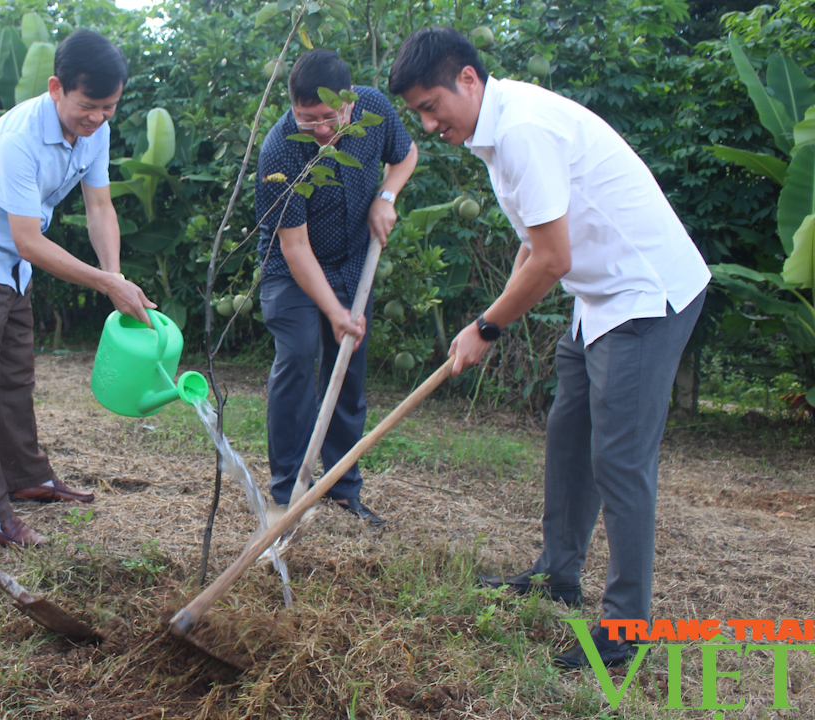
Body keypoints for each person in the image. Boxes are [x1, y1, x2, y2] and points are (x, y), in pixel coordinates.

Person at [389, 27, 710, 668]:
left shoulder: (522, 131)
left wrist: (485, 328)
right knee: (569, 437)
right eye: (419, 113)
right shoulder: (498, 130)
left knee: (618, 461)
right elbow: (533, 244)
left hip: (645, 296)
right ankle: (557, 574)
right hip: (599, 300)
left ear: (468, 81)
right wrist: (492, 316)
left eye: (432, 106)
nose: (428, 125)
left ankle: (626, 629)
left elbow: (553, 258)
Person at [0, 29, 154, 548]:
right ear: (56, 87)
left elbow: (100, 207)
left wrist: (114, 277)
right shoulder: (19, 140)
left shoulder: (93, 131)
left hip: (12, 266)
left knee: (15, 377)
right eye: (89, 106)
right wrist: (103, 282)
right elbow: (29, 239)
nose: (98, 118)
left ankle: (28, 478)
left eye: (109, 107)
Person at [254, 49, 418, 525]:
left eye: (330, 117)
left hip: (350, 263)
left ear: (349, 102)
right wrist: (334, 311)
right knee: (300, 355)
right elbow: (295, 248)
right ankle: (288, 491)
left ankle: (343, 487)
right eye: (308, 120)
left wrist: (386, 197)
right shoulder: (281, 149)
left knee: (346, 371)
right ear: (291, 107)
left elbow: (406, 155)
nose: (322, 131)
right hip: (292, 271)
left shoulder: (374, 109)